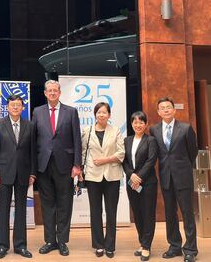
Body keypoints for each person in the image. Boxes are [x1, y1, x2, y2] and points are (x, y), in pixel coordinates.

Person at [32, 80, 82, 256]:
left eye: (55, 90)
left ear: (60, 92)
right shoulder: (37, 112)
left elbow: (77, 139)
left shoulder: (71, 112)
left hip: (65, 165)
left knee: (64, 204)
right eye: (49, 90)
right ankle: (50, 241)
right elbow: (34, 140)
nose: (52, 93)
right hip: (43, 165)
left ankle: (62, 241)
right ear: (45, 93)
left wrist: (77, 165)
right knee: (47, 205)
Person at [149, 97, 198, 262]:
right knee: (170, 214)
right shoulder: (154, 130)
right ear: (158, 112)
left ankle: (191, 249)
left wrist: (182, 167)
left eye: (168, 107)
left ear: (174, 110)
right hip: (165, 178)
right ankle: (175, 246)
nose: (166, 110)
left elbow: (193, 152)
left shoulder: (185, 128)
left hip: (183, 178)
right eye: (162, 108)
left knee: (187, 214)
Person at [0, 95, 37, 259]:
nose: (15, 107)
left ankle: (20, 245)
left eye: (18, 105)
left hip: (24, 174)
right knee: (3, 210)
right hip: (3, 174)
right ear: (7, 107)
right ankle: (2, 246)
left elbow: (33, 152)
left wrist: (32, 172)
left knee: (21, 210)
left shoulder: (30, 126)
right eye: (12, 105)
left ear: (23, 108)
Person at [81, 102, 125, 259]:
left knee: (111, 212)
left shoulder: (116, 131)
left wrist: (104, 160)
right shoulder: (87, 130)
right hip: (93, 176)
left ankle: (110, 246)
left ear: (109, 115)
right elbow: (83, 153)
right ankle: (99, 245)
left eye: (104, 112)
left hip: (112, 176)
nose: (101, 115)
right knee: (95, 212)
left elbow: (121, 153)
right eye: (98, 112)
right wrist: (82, 171)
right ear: (95, 114)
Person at [123, 111, 158, 261]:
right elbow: (123, 161)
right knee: (137, 214)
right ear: (131, 124)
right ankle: (142, 242)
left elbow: (151, 161)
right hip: (132, 182)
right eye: (135, 122)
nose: (138, 125)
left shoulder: (151, 140)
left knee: (148, 214)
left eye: (141, 122)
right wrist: (131, 174)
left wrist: (139, 177)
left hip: (148, 182)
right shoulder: (126, 140)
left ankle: (146, 246)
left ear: (146, 124)